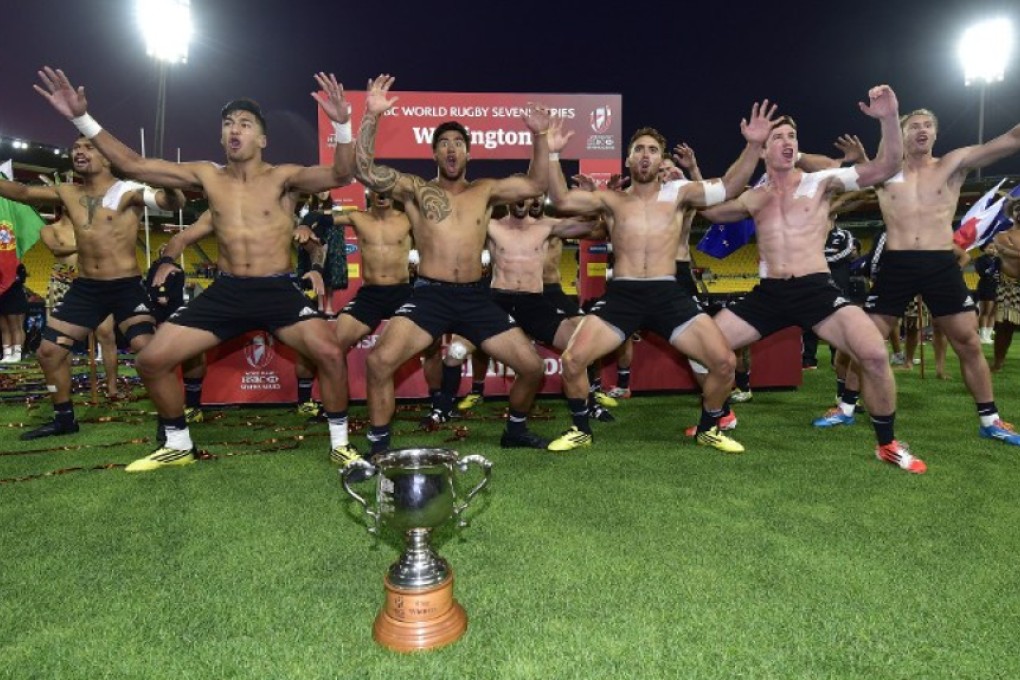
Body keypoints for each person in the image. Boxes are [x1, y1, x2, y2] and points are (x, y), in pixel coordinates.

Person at [35, 67, 361, 470]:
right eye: (228, 123)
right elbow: (134, 165)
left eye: (245, 123)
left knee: (330, 352)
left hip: (277, 289)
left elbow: (341, 173)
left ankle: (340, 444)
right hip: (227, 291)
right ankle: (178, 444)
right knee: (151, 360)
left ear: (262, 139)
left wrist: (342, 125)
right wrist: (81, 118)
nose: (234, 129)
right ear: (222, 137)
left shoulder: (284, 177)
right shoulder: (208, 174)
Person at [703, 85, 927, 473]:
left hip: (816, 290)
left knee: (874, 354)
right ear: (764, 149)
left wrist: (890, 118)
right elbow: (711, 212)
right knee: (704, 348)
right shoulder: (755, 196)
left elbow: (887, 165)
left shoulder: (821, 181)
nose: (788, 142)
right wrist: (738, 154)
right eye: (778, 137)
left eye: (792, 135)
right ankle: (717, 418)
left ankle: (887, 444)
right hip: (769, 292)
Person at [544, 100, 777, 453]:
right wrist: (551, 154)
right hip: (623, 294)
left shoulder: (680, 194)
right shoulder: (611, 200)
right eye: (639, 149)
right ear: (628, 159)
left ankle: (709, 428)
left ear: (660, 160)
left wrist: (754, 145)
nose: (645, 155)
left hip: (667, 293)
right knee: (573, 359)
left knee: (724, 362)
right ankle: (580, 429)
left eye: (653, 150)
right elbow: (561, 200)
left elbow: (729, 187)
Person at [352, 74, 555, 454]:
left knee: (532, 367)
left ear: (468, 154)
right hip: (430, 295)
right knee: (379, 361)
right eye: (443, 143)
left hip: (476, 297)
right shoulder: (415, 190)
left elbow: (536, 186)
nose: (451, 148)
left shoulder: (486, 190)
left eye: (458, 143)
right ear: (434, 153)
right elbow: (364, 170)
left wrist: (540, 136)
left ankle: (515, 431)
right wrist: (372, 115)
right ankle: (379, 448)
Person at [826, 106, 1020, 447]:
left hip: (940, 263)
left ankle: (990, 420)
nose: (922, 130)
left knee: (968, 342)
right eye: (914, 125)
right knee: (866, 342)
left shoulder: (952, 163)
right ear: (901, 134)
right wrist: (858, 160)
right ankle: (846, 407)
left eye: (928, 125)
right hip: (896, 264)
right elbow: (833, 177)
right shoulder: (885, 171)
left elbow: (1010, 139)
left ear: (935, 133)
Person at [0, 131, 185, 440]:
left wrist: (165, 180)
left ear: (107, 158)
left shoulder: (128, 190)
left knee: (147, 352)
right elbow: (23, 192)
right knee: (48, 352)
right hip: (86, 288)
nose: (79, 152)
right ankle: (64, 419)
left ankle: (171, 422)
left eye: (88, 147)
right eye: (76, 147)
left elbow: (172, 201)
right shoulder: (68, 192)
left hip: (125, 287)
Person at [296, 189, 414, 461]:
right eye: (377, 188)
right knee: (331, 346)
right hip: (370, 295)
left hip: (403, 292)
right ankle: (325, 405)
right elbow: (318, 216)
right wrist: (305, 225)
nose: (382, 193)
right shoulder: (357, 218)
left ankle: (440, 405)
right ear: (369, 193)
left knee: (431, 343)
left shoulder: (408, 219)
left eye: (387, 188)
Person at [38, 214, 123, 397]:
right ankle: (64, 387)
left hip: (94, 282)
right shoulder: (50, 229)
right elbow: (55, 249)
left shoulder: (93, 227)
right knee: (61, 341)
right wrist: (83, 246)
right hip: (62, 282)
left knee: (106, 334)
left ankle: (112, 387)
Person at [991, 197, 1020, 371]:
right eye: (1017, 208)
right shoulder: (1002, 235)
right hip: (1010, 286)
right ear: (1012, 212)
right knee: (1004, 326)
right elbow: (1005, 251)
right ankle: (998, 362)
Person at [0, 262, 28, 363]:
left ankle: (17, 354)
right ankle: (7, 354)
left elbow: (21, 280)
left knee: (16, 327)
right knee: (4, 328)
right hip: (2, 298)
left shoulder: (18, 264)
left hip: (15, 297)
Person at [973, 243, 1000, 344]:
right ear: (984, 249)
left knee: (994, 313)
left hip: (997, 287)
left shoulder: (999, 260)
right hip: (986, 286)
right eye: (990, 248)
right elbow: (982, 273)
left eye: (995, 248)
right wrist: (994, 266)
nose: (993, 250)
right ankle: (982, 336)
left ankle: (988, 336)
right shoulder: (980, 259)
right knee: (985, 312)